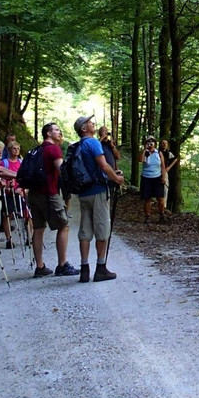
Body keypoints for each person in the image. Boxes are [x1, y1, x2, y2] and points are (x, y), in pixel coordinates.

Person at [73, 115, 126, 282]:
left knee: (85, 231)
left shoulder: (78, 146)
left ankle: (84, 269)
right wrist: (116, 179)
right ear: (84, 129)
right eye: (89, 122)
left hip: (84, 193)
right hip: (97, 191)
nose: (92, 123)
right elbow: (103, 165)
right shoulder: (93, 142)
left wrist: (110, 174)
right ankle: (101, 268)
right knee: (102, 229)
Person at [27, 122, 76, 277]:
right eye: (56, 130)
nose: (59, 132)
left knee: (38, 229)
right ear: (48, 133)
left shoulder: (37, 150)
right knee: (64, 226)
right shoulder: (53, 149)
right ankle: (62, 265)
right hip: (49, 193)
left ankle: (40, 267)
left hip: (34, 194)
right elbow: (62, 171)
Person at [137, 135, 165, 224]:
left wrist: (163, 177)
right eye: (149, 142)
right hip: (146, 178)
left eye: (152, 142)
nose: (151, 143)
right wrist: (145, 149)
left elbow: (163, 165)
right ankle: (147, 217)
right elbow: (140, 160)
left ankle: (162, 215)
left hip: (157, 177)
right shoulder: (145, 153)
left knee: (160, 198)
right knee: (147, 198)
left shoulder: (159, 153)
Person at [157, 138, 179, 221]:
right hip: (156, 172)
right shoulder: (157, 152)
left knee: (165, 188)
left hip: (164, 172)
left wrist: (168, 167)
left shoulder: (168, 153)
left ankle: (164, 206)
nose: (164, 145)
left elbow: (175, 159)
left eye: (166, 143)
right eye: (163, 143)